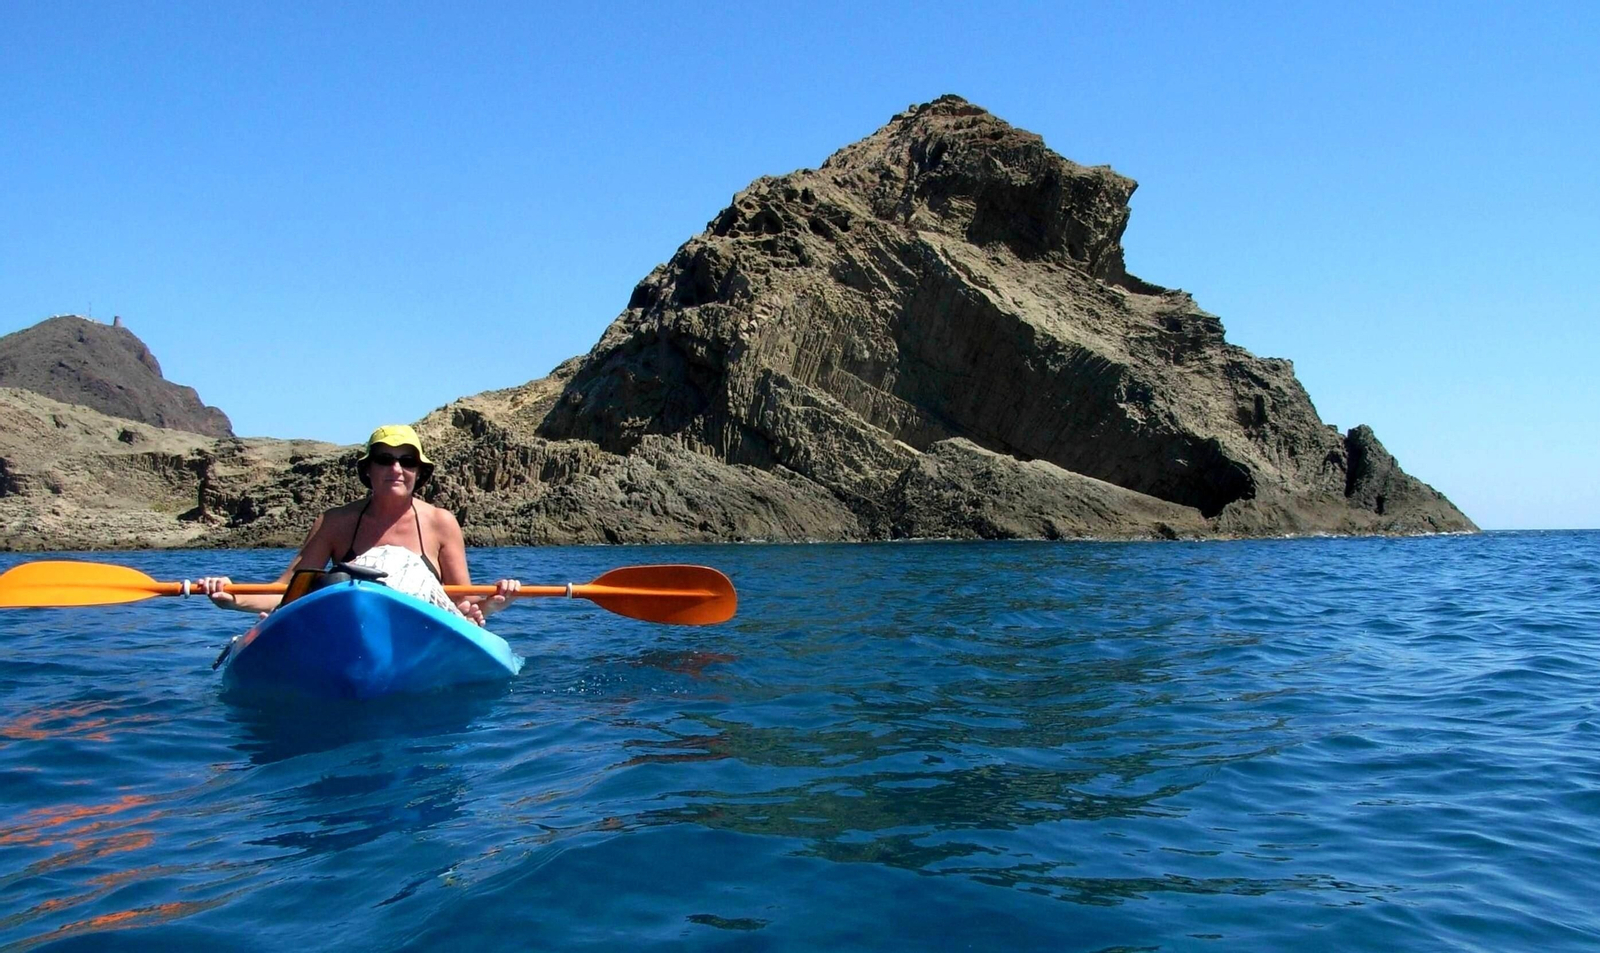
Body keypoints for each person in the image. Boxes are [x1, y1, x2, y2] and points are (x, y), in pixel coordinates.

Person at [200, 424, 520, 625]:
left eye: (407, 461)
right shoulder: (335, 522)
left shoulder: (441, 523)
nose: (396, 468)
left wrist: (490, 605)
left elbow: (459, 601)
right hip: (348, 626)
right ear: (367, 469)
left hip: (418, 628)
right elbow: (287, 592)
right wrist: (232, 598)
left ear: (419, 472)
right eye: (384, 459)